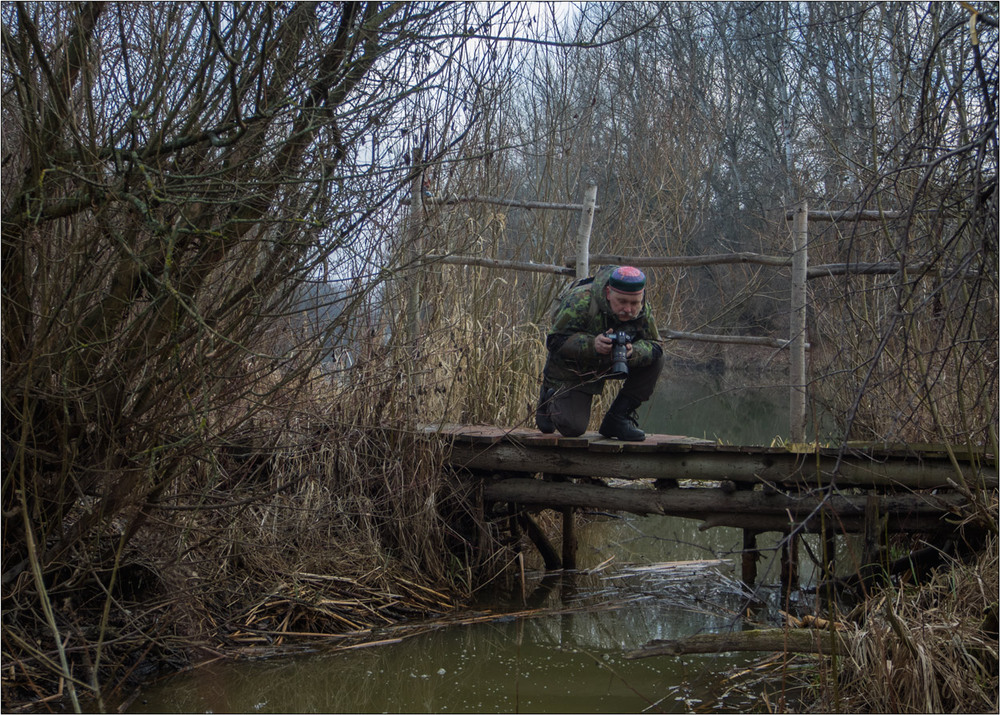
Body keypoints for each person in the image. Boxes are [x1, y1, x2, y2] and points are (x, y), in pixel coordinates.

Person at [536, 265, 664, 441]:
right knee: (573, 428)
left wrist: (634, 352)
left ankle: (618, 418)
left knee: (657, 360)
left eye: (634, 303)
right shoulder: (581, 300)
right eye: (622, 302)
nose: (628, 309)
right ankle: (549, 396)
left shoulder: (642, 309)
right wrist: (592, 345)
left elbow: (655, 346)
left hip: (613, 361)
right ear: (608, 292)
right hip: (575, 366)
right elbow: (555, 341)